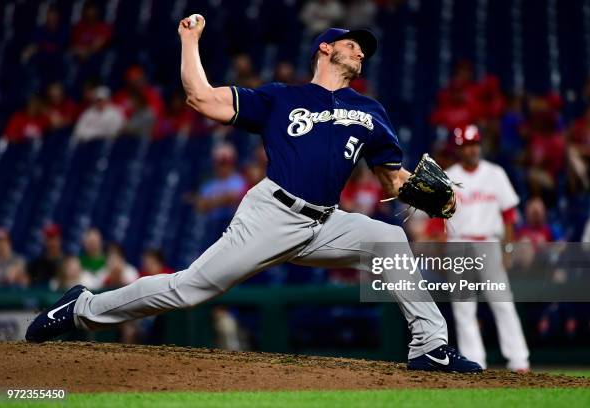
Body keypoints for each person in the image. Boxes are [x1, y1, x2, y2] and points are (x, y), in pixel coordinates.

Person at [25, 19, 482, 373]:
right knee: (188, 289)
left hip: (325, 222)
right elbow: (200, 98)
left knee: (389, 242)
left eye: (364, 48)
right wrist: (190, 40)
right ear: (325, 47)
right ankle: (81, 307)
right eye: (351, 42)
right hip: (272, 213)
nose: (360, 50)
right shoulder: (282, 98)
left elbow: (393, 181)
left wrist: (435, 198)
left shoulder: (371, 110)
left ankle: (430, 347)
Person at [444, 124, 530, 372]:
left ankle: (519, 360)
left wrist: (508, 248)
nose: (471, 149)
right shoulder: (448, 177)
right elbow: (438, 219)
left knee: (502, 302)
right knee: (463, 307)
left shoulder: (495, 174)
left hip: (490, 243)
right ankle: (475, 362)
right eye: (466, 146)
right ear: (458, 150)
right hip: (459, 245)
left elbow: (510, 214)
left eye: (474, 144)